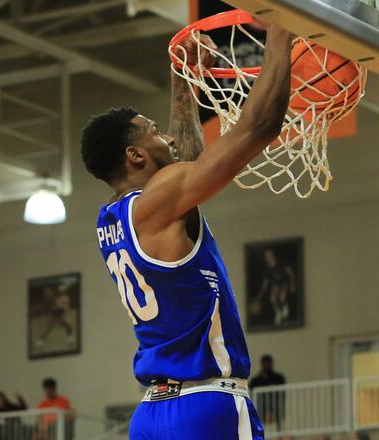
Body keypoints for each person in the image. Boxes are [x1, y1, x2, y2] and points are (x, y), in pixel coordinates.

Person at [82, 16, 295, 440]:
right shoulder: (156, 204)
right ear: (136, 156)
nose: (168, 139)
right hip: (206, 406)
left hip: (151, 415)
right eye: (155, 133)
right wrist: (282, 33)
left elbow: (186, 167)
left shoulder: (113, 219)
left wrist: (184, 83)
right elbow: (260, 126)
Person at [250, 248, 296, 325]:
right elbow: (266, 281)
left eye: (269, 255)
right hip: (276, 284)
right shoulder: (268, 268)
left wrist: (292, 284)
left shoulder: (281, 263)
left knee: (282, 298)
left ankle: (285, 311)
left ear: (273, 255)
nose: (268, 257)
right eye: (266, 256)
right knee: (273, 299)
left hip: (284, 283)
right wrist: (262, 292)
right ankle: (278, 314)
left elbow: (290, 272)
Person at [249, 355, 286, 429]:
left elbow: (282, 391)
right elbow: (251, 387)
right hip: (262, 406)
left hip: (275, 405)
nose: (266, 365)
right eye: (264, 363)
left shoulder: (278, 377)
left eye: (268, 363)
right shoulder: (257, 379)